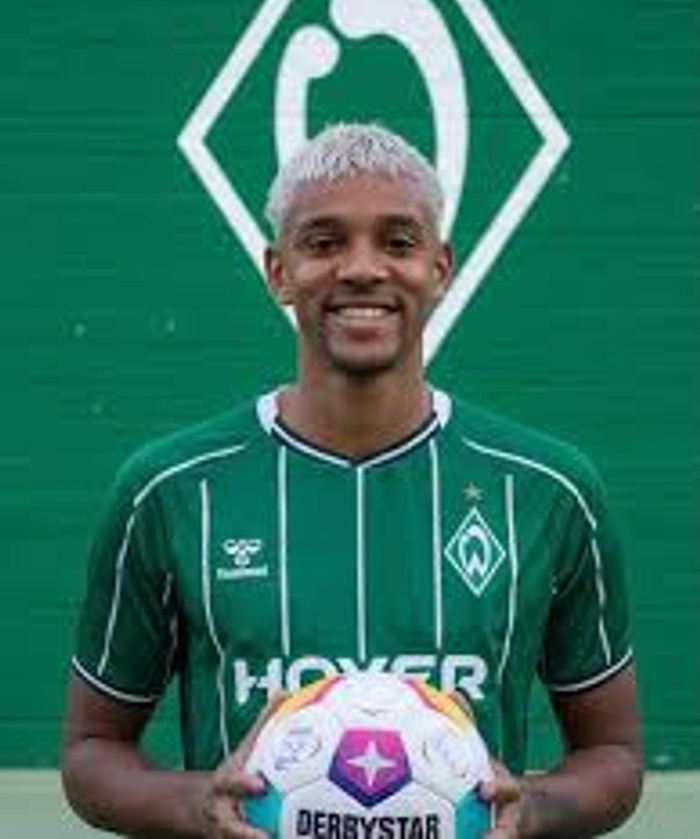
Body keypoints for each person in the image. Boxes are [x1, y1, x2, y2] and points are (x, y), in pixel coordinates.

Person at [62, 122, 643, 837]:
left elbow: (614, 755)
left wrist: (531, 808)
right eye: (324, 242)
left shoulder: (549, 490)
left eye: (398, 242)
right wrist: (197, 804)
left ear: (440, 267)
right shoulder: (172, 489)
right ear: (278, 271)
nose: (363, 268)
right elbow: (91, 753)